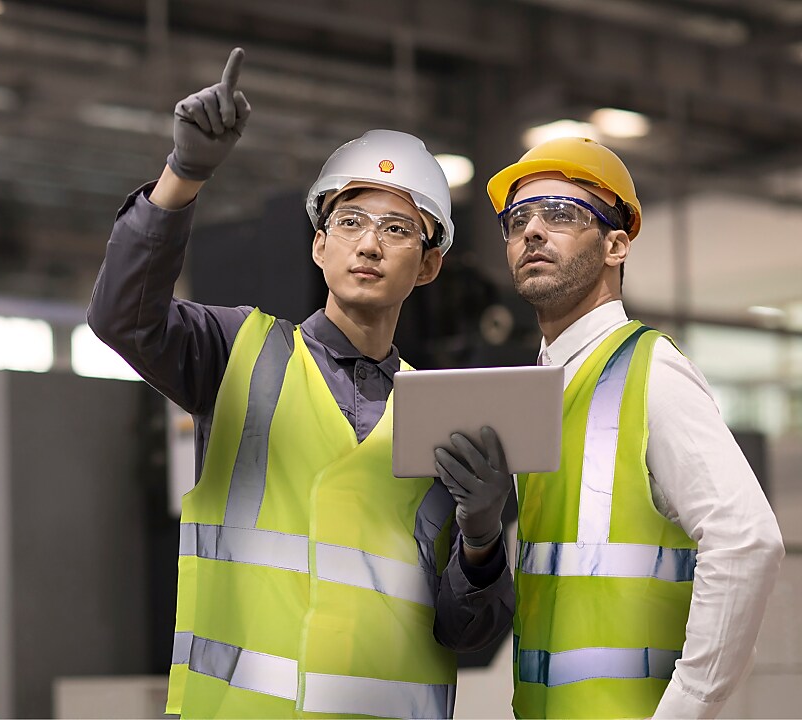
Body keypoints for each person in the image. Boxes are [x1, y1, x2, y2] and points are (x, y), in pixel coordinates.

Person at [87, 47, 513, 719]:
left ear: (429, 265)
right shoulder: (237, 354)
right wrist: (184, 175)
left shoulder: (442, 418)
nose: (368, 245)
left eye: (396, 229)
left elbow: (466, 631)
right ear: (319, 247)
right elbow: (121, 317)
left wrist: (484, 535)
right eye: (349, 222)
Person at [481, 136, 785, 718]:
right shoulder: (545, 386)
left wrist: (683, 709)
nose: (533, 232)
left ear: (616, 245)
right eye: (519, 219)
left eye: (562, 214)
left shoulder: (651, 371)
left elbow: (748, 540)